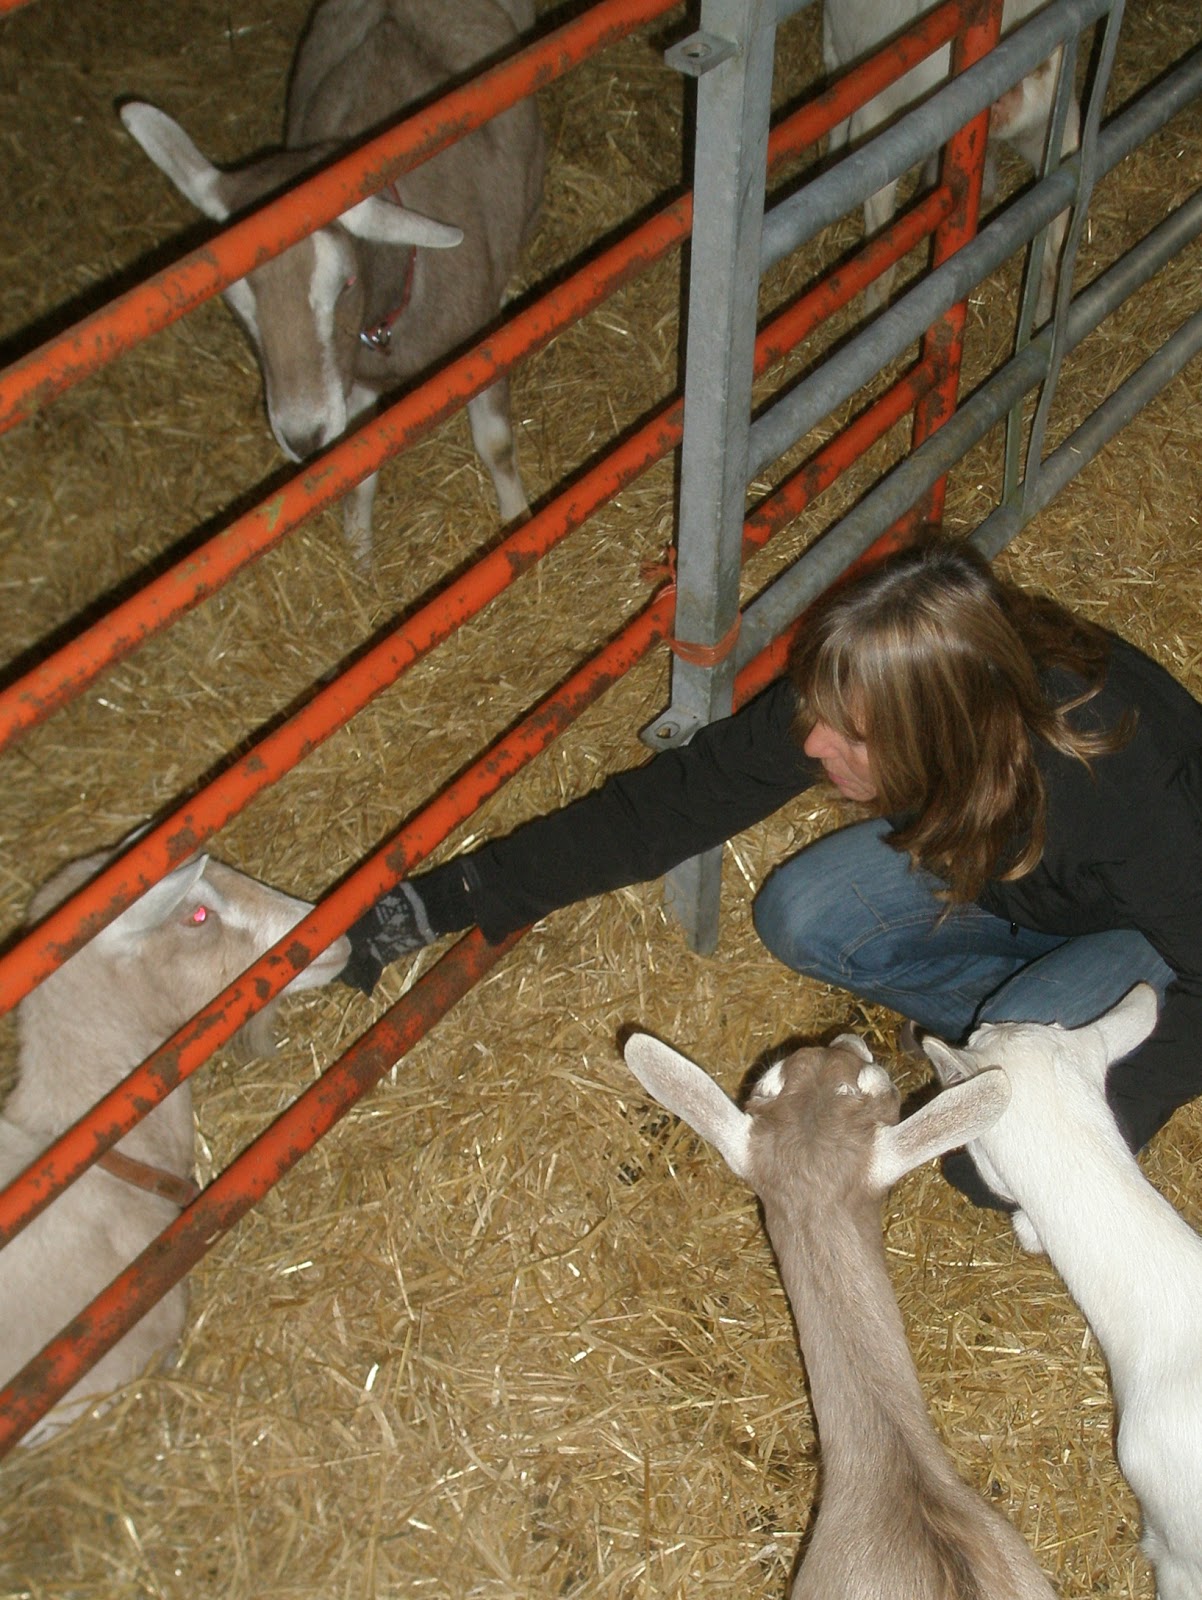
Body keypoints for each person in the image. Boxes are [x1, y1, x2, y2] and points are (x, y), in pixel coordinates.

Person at [342, 537, 1202, 1204]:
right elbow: (674, 805)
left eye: (851, 739)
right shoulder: (880, 681)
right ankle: (997, 1016)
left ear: (941, 736)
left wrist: (1086, 1118)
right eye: (819, 716)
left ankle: (1022, 1025)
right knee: (798, 914)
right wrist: (449, 898)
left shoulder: (1120, 790)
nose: (815, 746)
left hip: (1152, 934)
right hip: (997, 865)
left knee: (993, 1157)